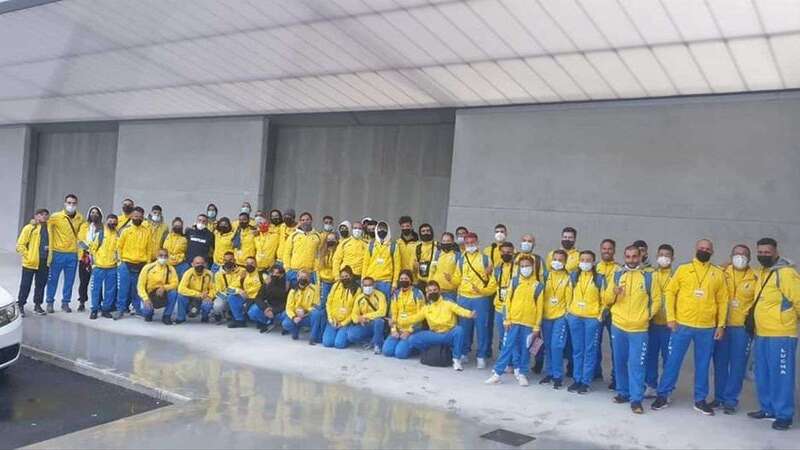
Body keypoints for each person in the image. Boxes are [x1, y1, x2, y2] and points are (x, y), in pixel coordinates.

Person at [652, 239, 727, 415]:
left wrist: (721, 325)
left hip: (707, 327)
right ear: (696, 249)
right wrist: (671, 318)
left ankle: (700, 399)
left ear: (712, 252)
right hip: (682, 325)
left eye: (707, 249)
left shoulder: (717, 273)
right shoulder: (683, 270)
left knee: (702, 364)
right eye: (701, 248)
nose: (704, 250)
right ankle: (663, 394)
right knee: (673, 361)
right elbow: (670, 293)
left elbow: (723, 301)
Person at [747, 238, 799, 431]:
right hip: (762, 332)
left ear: (776, 252)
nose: (763, 255)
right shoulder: (763, 272)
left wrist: (790, 321)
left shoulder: (786, 273)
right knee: (763, 373)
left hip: (781, 334)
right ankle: (767, 408)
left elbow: (798, 300)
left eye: (767, 252)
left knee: (781, 375)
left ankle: (784, 414)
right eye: (760, 252)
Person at [603, 245, 661, 414]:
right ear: (624, 257)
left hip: (639, 329)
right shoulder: (617, 274)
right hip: (619, 326)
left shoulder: (649, 276)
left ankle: (636, 399)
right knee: (619, 361)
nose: (631, 260)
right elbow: (606, 299)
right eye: (628, 256)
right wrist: (614, 292)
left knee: (636, 364)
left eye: (635, 256)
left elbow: (657, 300)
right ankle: (623, 392)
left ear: (640, 257)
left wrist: (646, 316)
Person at [485, 255, 544, 386]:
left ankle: (522, 373)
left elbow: (540, 308)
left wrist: (536, 327)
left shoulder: (538, 286)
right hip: (513, 322)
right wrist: (507, 319)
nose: (525, 268)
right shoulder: (514, 281)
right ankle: (497, 373)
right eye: (522, 266)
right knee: (507, 347)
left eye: (527, 266)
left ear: (533, 267)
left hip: (529, 324)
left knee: (525, 349)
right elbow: (507, 302)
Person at [712, 244, 757, 414]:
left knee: (738, 365)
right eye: (737, 254)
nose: (740, 257)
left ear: (749, 258)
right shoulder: (721, 272)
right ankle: (719, 398)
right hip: (722, 326)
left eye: (744, 254)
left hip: (742, 329)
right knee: (720, 364)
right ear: (731, 256)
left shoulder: (755, 277)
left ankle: (731, 400)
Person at [398, 281, 476, 371]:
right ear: (427, 294)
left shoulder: (448, 303)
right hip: (434, 335)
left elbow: (459, 310)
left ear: (439, 291)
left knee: (459, 330)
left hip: (448, 334)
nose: (432, 292)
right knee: (412, 339)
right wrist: (400, 321)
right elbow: (415, 318)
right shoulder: (426, 308)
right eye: (430, 291)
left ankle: (456, 360)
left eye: (435, 290)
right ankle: (429, 352)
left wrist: (469, 314)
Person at [565, 250, 605, 394]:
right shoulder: (574, 276)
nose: (585, 263)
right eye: (582, 260)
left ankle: (586, 381)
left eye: (588, 260)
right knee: (577, 350)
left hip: (591, 319)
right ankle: (577, 379)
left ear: (593, 262)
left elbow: (604, 299)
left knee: (590, 350)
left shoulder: (599, 278)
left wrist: (599, 315)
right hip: (575, 317)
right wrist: (569, 312)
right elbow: (568, 295)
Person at [457, 232, 497, 368]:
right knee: (464, 327)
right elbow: (458, 277)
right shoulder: (461, 259)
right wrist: (450, 280)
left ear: (477, 243)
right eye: (467, 243)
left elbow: (493, 282)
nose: (470, 245)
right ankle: (464, 352)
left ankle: (481, 355)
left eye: (472, 243)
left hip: (480, 298)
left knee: (482, 327)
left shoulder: (486, 259)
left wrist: (483, 291)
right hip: (464, 297)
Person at [45, 194, 85, 313]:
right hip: (58, 253)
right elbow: (44, 224)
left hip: (72, 254)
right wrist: (34, 222)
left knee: (69, 281)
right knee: (53, 280)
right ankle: (50, 302)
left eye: (73, 203)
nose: (71, 205)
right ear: (64, 203)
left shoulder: (80, 218)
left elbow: (83, 232)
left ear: (76, 204)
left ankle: (65, 302)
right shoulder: (56, 217)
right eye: (69, 202)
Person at [645, 244, 675, 398]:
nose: (664, 257)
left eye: (667, 255)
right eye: (661, 254)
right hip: (652, 324)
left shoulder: (676, 275)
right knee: (650, 356)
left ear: (672, 258)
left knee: (669, 359)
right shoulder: (650, 275)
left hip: (670, 326)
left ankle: (666, 389)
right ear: (656, 257)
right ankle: (650, 385)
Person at [539, 249, 573, 388]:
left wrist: (566, 315)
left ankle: (558, 376)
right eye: (555, 259)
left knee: (557, 346)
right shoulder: (545, 276)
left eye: (560, 260)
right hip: (546, 316)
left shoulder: (568, 278)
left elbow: (569, 299)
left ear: (565, 262)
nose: (557, 262)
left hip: (560, 317)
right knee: (547, 346)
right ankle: (550, 373)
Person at [114, 207, 152, 319]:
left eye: (140, 216)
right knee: (123, 288)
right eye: (135, 216)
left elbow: (149, 249)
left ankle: (137, 309)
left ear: (143, 217)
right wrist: (120, 261)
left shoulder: (147, 231)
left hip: (141, 264)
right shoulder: (126, 231)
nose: (138, 218)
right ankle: (120, 309)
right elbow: (119, 247)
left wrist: (148, 265)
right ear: (131, 216)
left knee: (137, 288)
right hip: (126, 263)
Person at [16, 209, 50, 316]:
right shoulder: (29, 228)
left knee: (41, 285)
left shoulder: (50, 228)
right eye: (41, 214)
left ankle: (38, 305)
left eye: (45, 215)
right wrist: (28, 255)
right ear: (36, 216)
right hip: (30, 262)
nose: (43, 217)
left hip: (44, 261)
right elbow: (20, 245)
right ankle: (20, 304)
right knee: (25, 285)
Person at [383, 272, 425, 358]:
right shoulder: (396, 294)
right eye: (401, 279)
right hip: (398, 328)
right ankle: (400, 343)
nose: (403, 281)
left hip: (412, 330)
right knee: (387, 351)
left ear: (411, 280)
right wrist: (394, 330)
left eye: (406, 279)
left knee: (400, 354)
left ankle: (415, 347)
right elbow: (393, 314)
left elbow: (421, 315)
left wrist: (409, 331)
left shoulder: (418, 294)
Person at [87, 214, 119, 319]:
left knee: (110, 290)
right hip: (99, 267)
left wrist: (117, 263)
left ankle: (106, 309)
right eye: (110, 221)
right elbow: (92, 248)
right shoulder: (100, 233)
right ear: (106, 221)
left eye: (114, 221)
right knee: (95, 289)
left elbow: (119, 250)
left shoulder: (118, 235)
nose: (112, 223)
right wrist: (93, 263)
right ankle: (94, 310)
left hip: (112, 267)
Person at [596, 238, 619, 385]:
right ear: (600, 249)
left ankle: (616, 378)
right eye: (604, 248)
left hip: (613, 312)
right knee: (594, 344)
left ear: (614, 251)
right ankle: (595, 373)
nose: (607, 251)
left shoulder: (619, 269)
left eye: (610, 249)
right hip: (596, 312)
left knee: (615, 347)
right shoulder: (595, 267)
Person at [137, 248, 179, 324]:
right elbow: (140, 286)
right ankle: (149, 314)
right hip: (149, 294)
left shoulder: (171, 269)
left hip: (162, 292)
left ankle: (167, 316)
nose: (163, 258)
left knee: (173, 293)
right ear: (157, 256)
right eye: (161, 255)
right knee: (147, 311)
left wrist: (164, 287)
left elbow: (175, 283)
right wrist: (145, 298)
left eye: (165, 256)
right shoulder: (148, 268)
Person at [347, 276, 388, 353]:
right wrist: (359, 319)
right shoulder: (359, 298)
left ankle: (377, 345)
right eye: (365, 285)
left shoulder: (380, 295)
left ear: (374, 285)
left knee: (379, 321)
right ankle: (370, 341)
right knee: (351, 335)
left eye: (369, 285)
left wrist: (365, 316)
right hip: (364, 324)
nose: (367, 287)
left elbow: (382, 312)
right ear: (362, 286)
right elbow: (354, 314)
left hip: (375, 323)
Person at [322, 267, 360, 348]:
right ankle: (335, 332)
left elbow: (355, 311)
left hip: (346, 322)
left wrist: (343, 323)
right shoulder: (336, 286)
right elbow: (328, 303)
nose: (344, 278)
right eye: (342, 277)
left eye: (346, 276)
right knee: (327, 343)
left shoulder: (357, 289)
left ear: (351, 276)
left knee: (339, 344)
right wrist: (331, 319)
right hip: (333, 320)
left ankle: (345, 335)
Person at [363, 221, 401, 301]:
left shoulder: (394, 246)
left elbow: (397, 267)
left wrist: (394, 283)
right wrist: (363, 280)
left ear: (388, 230)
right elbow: (365, 264)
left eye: (384, 229)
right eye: (380, 229)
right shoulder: (371, 245)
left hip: (386, 282)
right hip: (371, 282)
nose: (382, 231)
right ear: (376, 230)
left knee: (385, 307)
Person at [282, 270, 323, 340]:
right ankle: (295, 331)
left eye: (305, 277)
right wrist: (294, 317)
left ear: (309, 279)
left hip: (307, 316)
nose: (303, 279)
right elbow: (288, 308)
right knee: (286, 323)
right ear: (297, 278)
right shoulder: (292, 291)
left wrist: (305, 311)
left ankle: (313, 337)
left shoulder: (314, 289)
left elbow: (317, 306)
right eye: (301, 277)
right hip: (296, 316)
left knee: (317, 313)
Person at [284, 212, 321, 288]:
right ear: (300, 222)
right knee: (294, 296)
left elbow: (320, 254)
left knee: (309, 297)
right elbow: (287, 253)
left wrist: (315, 269)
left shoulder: (317, 236)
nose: (305, 222)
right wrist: (288, 270)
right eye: (303, 220)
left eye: (307, 219)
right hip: (294, 272)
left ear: (311, 220)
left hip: (310, 273)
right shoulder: (293, 235)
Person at [492, 242, 516, 358]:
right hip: (499, 307)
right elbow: (492, 285)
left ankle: (512, 362)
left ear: (513, 252)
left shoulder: (518, 268)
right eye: (504, 252)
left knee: (511, 337)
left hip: (513, 308)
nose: (506, 254)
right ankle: (504, 360)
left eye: (509, 252)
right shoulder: (497, 269)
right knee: (502, 336)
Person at [76, 205, 102, 312]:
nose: (94, 215)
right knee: (84, 281)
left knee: (97, 282)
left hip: (98, 258)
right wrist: (87, 247)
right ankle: (82, 301)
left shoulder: (103, 227)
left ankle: (98, 303)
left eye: (96, 213)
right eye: (92, 212)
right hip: (85, 257)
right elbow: (80, 239)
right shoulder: (84, 226)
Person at [247, 265, 288, 333]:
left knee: (286, 315)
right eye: (272, 273)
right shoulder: (266, 283)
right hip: (268, 306)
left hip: (280, 309)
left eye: (277, 273)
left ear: (282, 274)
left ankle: (276, 323)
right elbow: (258, 298)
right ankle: (267, 322)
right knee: (252, 311)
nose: (274, 275)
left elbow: (287, 303)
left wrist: (274, 311)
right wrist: (265, 308)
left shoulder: (286, 284)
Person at [176, 256, 215, 323]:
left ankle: (205, 317)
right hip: (191, 296)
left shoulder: (209, 274)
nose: (200, 265)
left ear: (205, 264)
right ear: (192, 264)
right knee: (181, 296)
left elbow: (213, 288)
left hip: (204, 297)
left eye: (202, 263)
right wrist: (198, 294)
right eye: (197, 263)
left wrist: (209, 296)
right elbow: (181, 289)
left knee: (207, 304)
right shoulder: (188, 273)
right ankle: (181, 318)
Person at [213, 251, 247, 326]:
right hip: (225, 296)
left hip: (240, 295)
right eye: (226, 260)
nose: (228, 262)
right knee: (217, 306)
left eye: (231, 260)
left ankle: (238, 316)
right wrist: (235, 291)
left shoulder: (242, 271)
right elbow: (218, 291)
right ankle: (220, 315)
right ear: (223, 261)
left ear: (234, 260)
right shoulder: (218, 274)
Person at [315, 232, 338, 340]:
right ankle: (320, 332)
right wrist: (319, 284)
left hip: (335, 282)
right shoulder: (322, 252)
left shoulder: (338, 251)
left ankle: (329, 331)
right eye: (328, 239)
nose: (330, 241)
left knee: (332, 306)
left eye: (333, 239)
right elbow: (318, 269)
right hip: (324, 282)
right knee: (322, 307)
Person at [428, 232, 462, 302]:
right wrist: (428, 286)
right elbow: (432, 271)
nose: (446, 243)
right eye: (444, 241)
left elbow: (459, 275)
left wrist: (451, 279)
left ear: (453, 242)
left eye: (448, 241)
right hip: (435, 291)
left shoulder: (458, 256)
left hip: (451, 293)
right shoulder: (437, 254)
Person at [414, 224, 436, 290]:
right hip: (420, 282)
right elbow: (413, 265)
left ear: (431, 232)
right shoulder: (417, 247)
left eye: (428, 231)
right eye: (423, 231)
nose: (425, 233)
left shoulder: (438, 246)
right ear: (420, 233)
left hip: (434, 282)